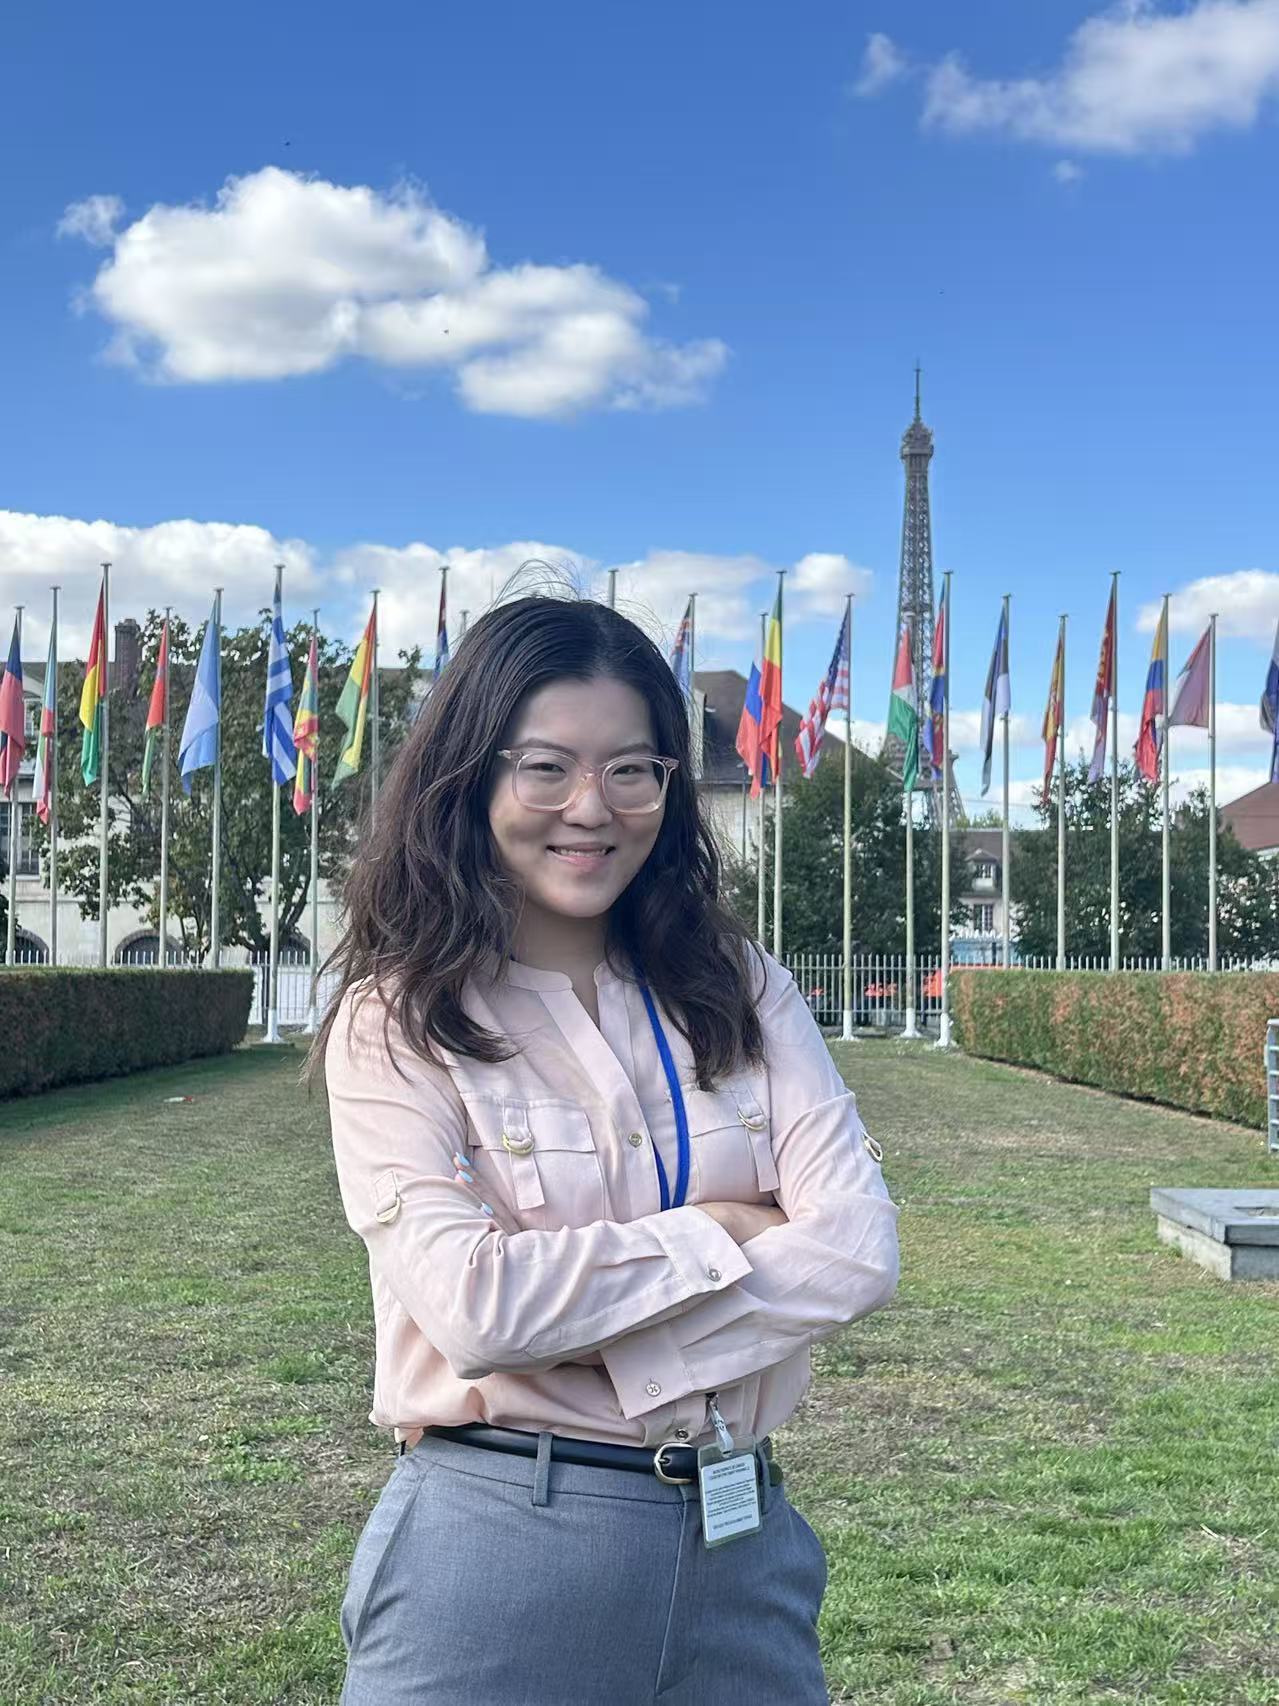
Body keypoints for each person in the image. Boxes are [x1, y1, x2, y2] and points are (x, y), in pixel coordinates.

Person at [316, 591, 900, 1705]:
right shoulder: (395, 1021)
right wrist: (719, 1232)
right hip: (497, 1549)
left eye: (634, 769)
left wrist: (591, 1336)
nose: (593, 807)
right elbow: (475, 1308)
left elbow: (860, 1251)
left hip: (740, 1547)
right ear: (472, 775)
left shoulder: (741, 988)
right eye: (546, 766)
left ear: (670, 787)